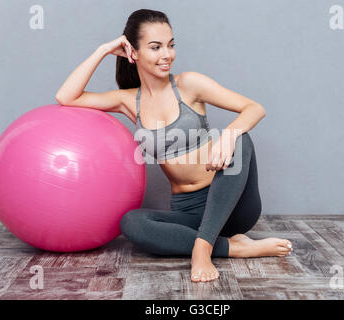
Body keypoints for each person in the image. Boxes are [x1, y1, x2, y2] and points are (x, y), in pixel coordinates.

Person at [55, 9, 293, 283]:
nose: (167, 54)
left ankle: (203, 249)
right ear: (133, 52)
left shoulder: (189, 84)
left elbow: (254, 108)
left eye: (170, 45)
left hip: (233, 205)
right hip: (189, 212)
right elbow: (66, 96)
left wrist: (227, 136)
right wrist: (104, 49)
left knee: (241, 138)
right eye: (155, 47)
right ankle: (233, 248)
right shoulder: (129, 101)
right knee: (131, 223)